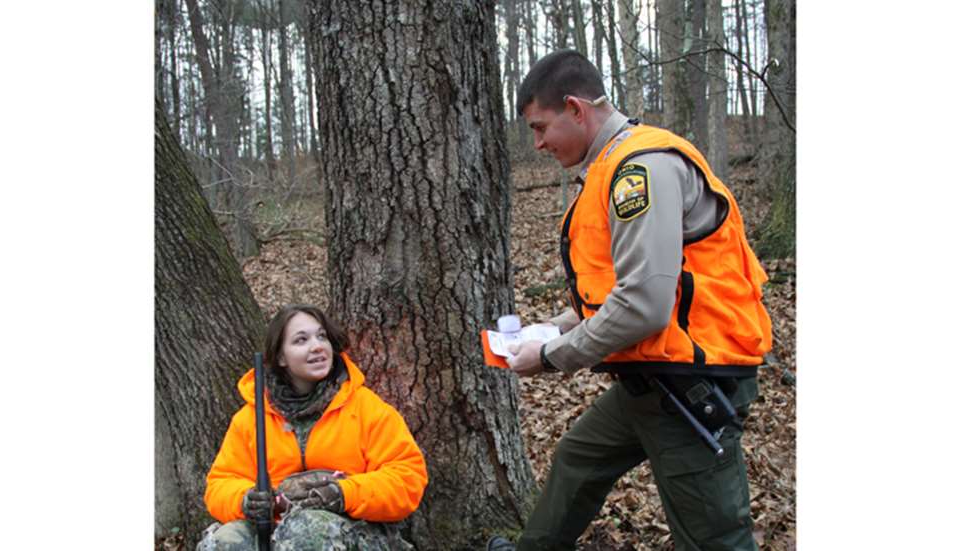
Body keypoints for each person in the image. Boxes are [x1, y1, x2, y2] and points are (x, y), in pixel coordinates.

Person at [488, 50, 773, 551]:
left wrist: (553, 356)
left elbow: (644, 303)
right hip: (650, 380)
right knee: (578, 460)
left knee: (713, 537)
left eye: (541, 127)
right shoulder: (610, 169)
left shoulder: (641, 169)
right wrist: (553, 328)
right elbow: (618, 289)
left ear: (576, 109)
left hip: (692, 387)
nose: (537, 144)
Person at [197, 304, 428, 551]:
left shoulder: (366, 408)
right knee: (224, 542)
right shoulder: (250, 419)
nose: (317, 346)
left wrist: (344, 493)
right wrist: (245, 499)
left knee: (308, 529)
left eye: (322, 336)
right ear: (280, 357)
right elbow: (221, 483)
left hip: (356, 531)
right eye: (301, 340)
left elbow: (407, 476)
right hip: (275, 530)